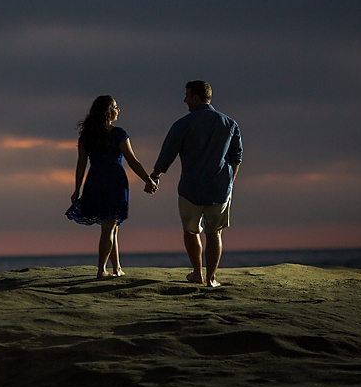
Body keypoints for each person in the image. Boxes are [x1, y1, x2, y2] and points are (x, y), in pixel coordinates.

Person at [150, 81, 242, 288]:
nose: (185, 100)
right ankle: (211, 278)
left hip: (191, 187)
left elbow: (168, 153)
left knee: (191, 231)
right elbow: (237, 157)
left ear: (196, 97)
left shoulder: (183, 124)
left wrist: (155, 175)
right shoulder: (229, 123)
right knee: (214, 232)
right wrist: (230, 182)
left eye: (187, 96)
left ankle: (197, 272)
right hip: (219, 188)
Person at [68, 95, 158, 279]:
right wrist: (147, 180)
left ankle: (116, 267)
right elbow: (132, 160)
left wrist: (77, 189)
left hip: (95, 180)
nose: (118, 110)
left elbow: (81, 164)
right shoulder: (118, 133)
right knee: (109, 226)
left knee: (112, 224)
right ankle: (101, 270)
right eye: (116, 107)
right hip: (114, 181)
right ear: (108, 111)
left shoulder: (87, 136)